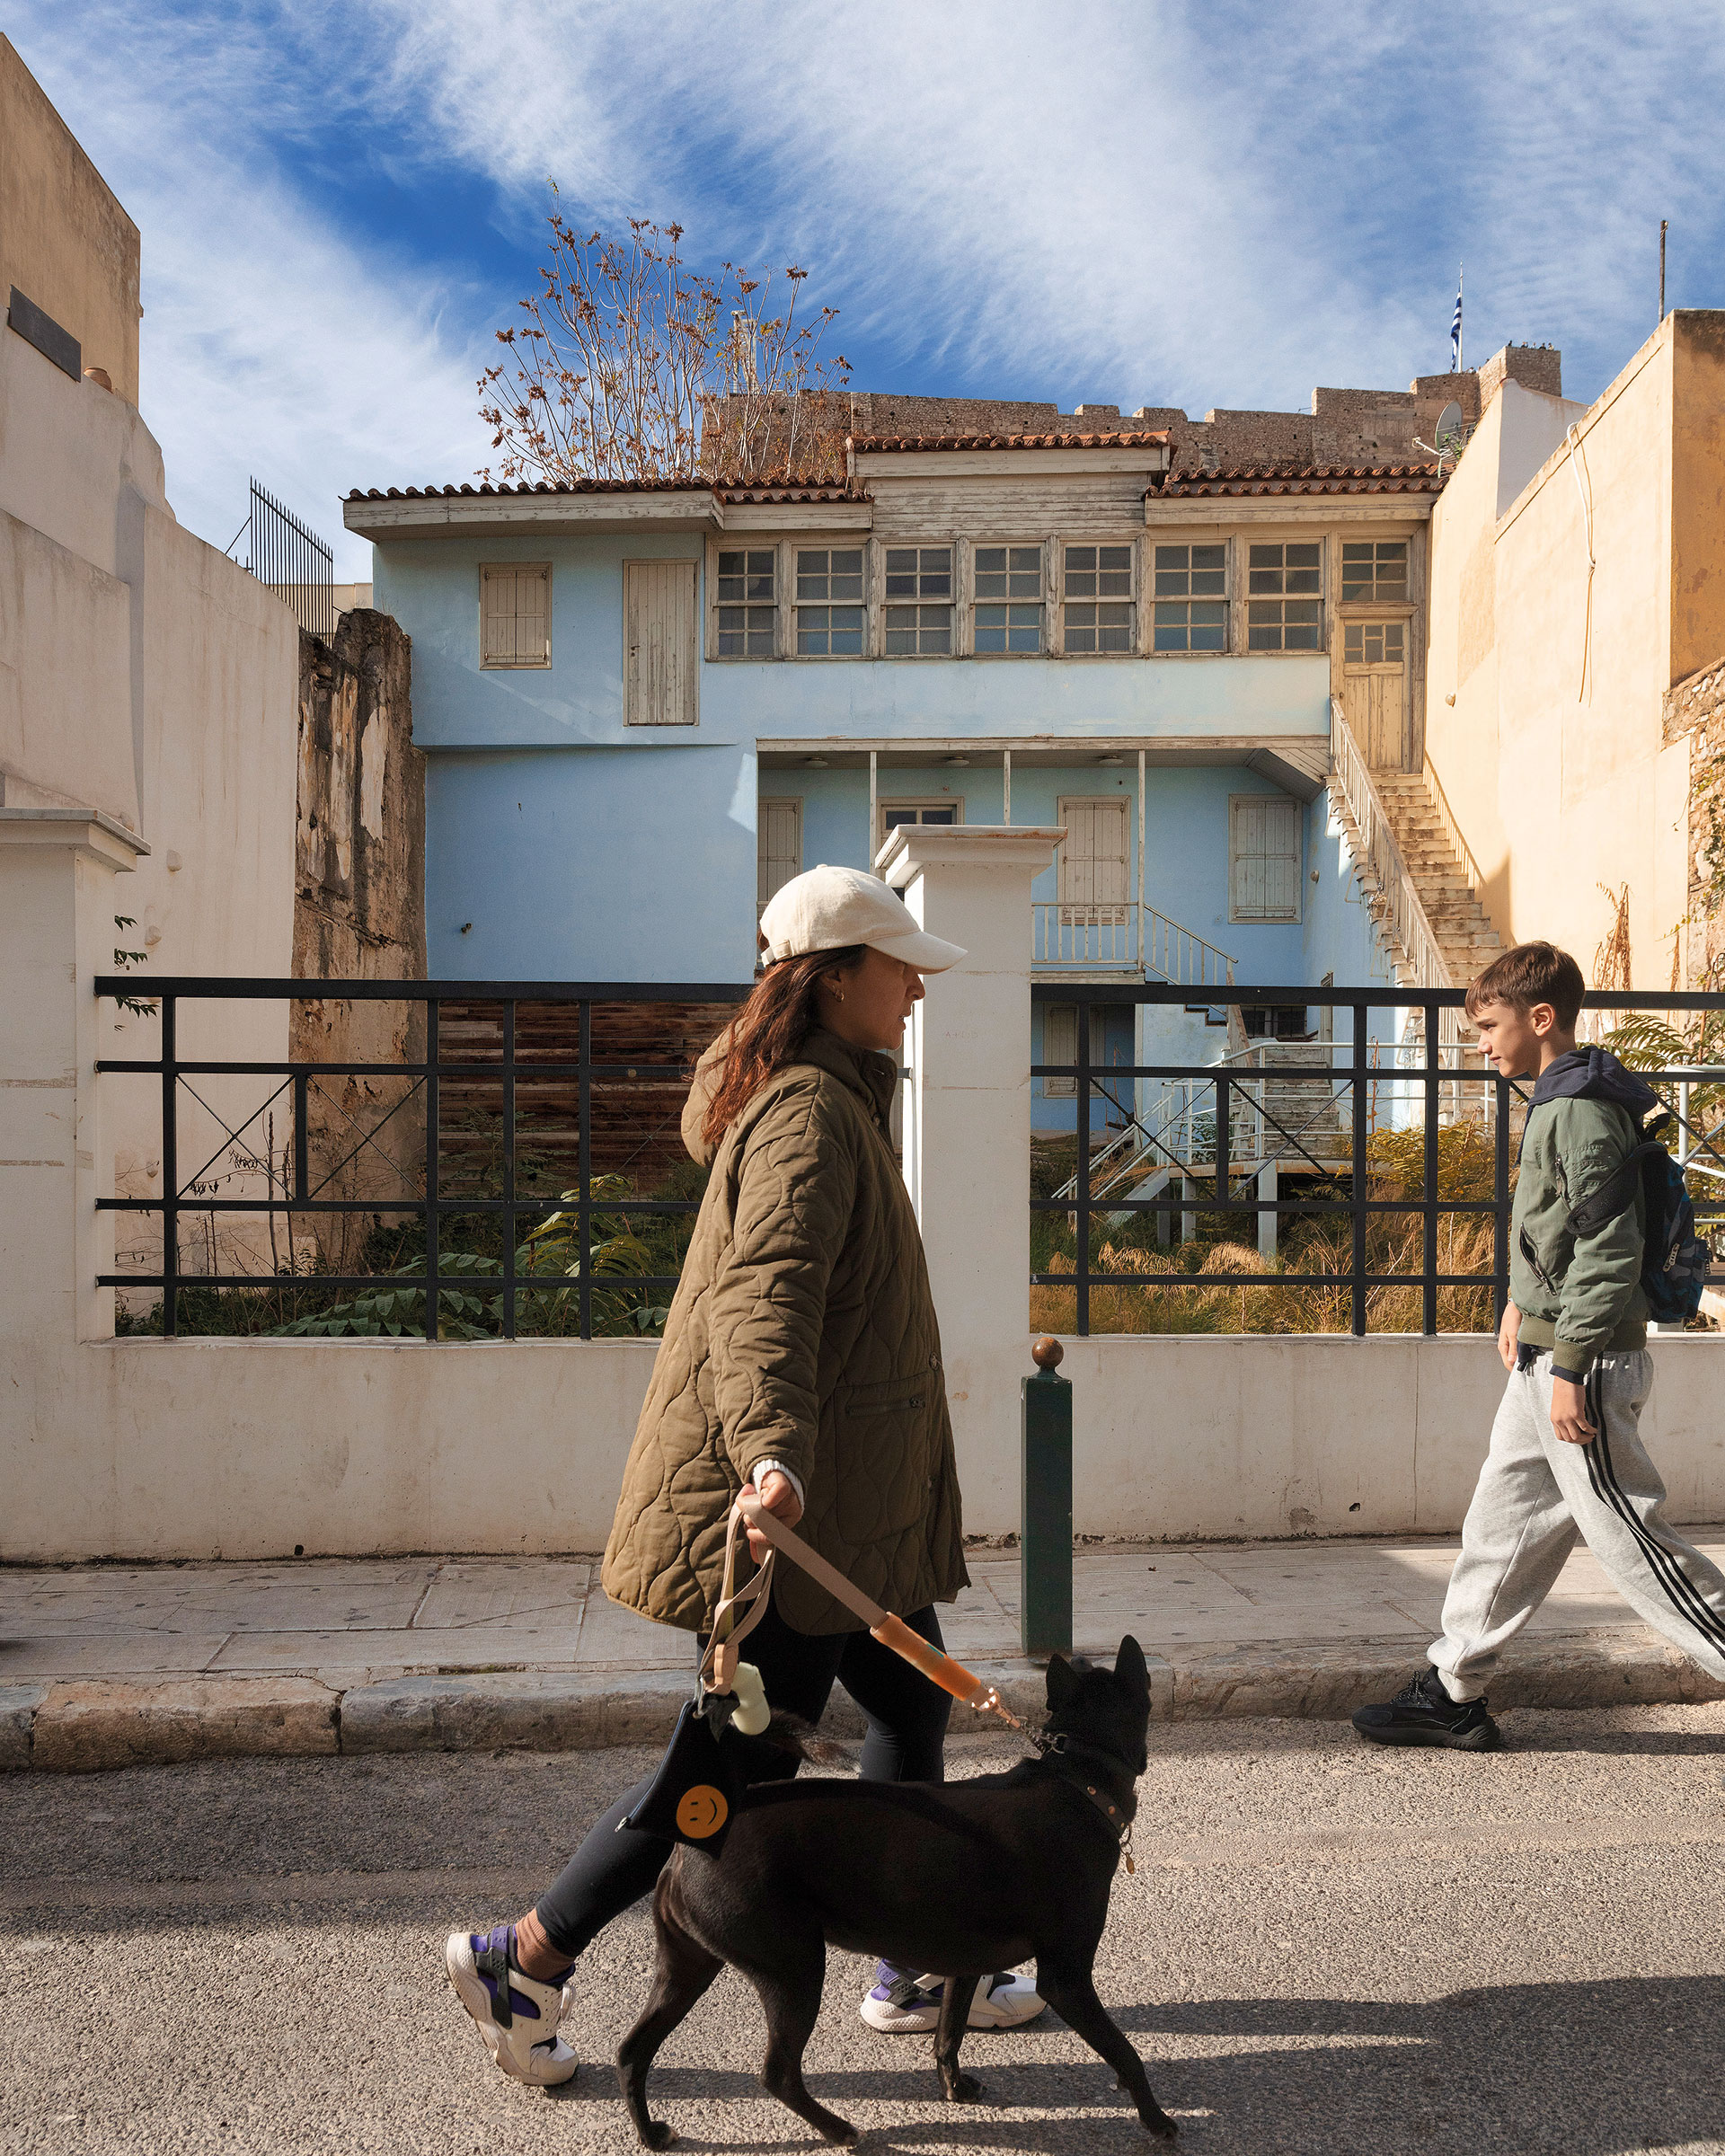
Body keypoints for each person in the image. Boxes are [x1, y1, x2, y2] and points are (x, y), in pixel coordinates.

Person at [443, 863, 1045, 2084]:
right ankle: (531, 1951)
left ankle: (909, 1959)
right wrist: (771, 1457)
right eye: (899, 964)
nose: (920, 984)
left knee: (911, 1706)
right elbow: (763, 1298)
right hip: (804, 1520)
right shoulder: (813, 1117)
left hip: (852, 1520)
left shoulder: (828, 1096)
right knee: (721, 1775)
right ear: (833, 981)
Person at [1353, 940, 1725, 1752]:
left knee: (1635, 1542)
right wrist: (1522, 1306)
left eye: (1488, 1025)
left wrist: (1570, 1364)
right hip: (1546, 1356)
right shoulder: (1560, 1095)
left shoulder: (1581, 1107)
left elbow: (1609, 1246)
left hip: (1579, 1367)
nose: (1480, 1042)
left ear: (1541, 1017)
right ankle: (1453, 1689)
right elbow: (1553, 1230)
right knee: (1502, 1525)